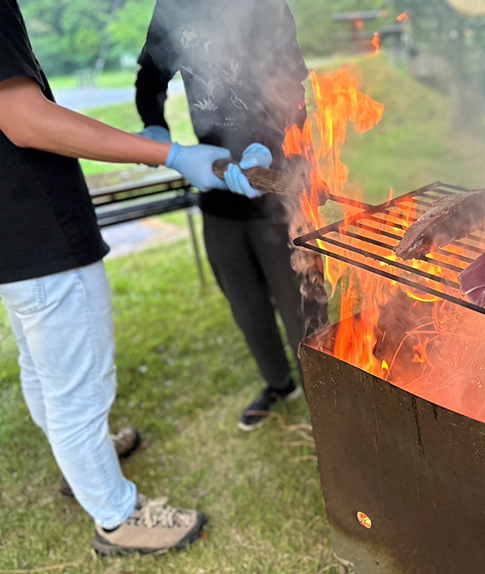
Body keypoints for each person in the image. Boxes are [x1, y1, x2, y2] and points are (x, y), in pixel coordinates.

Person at [0, 0, 257, 555]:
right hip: (37, 232)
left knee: (45, 368)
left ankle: (85, 463)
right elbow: (22, 118)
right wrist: (165, 151)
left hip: (12, 240)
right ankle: (117, 516)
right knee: (79, 390)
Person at [134, 0, 327, 432]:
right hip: (218, 182)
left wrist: (266, 148)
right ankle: (279, 384)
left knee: (302, 303)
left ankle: (326, 391)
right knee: (245, 301)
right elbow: (151, 74)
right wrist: (155, 124)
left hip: (279, 180)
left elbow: (291, 88)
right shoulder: (174, 7)